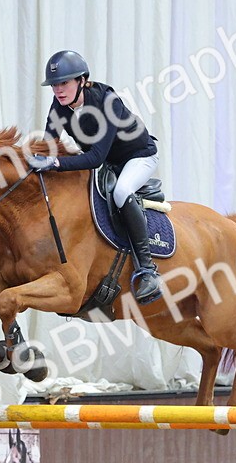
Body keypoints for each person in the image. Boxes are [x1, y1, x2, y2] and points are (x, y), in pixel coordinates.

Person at [27, 50, 162, 304]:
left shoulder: (107, 101)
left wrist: (54, 163)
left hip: (139, 156)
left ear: (82, 80)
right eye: (54, 85)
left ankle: (148, 270)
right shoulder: (59, 106)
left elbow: (95, 158)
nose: (58, 90)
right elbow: (48, 144)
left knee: (122, 192)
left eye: (64, 83)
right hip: (112, 162)